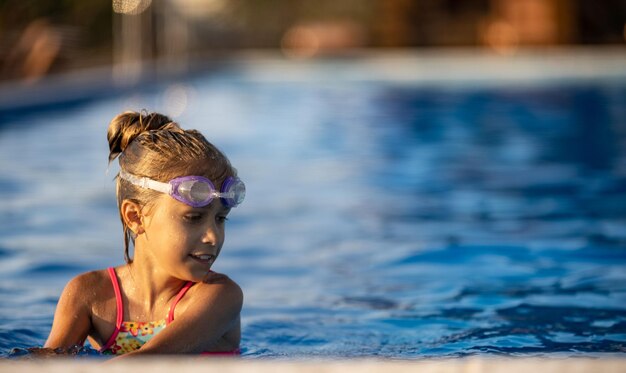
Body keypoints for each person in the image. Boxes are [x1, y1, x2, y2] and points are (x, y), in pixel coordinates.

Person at [44, 111, 245, 357]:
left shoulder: (220, 297)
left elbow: (149, 361)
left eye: (220, 219)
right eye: (194, 218)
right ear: (135, 217)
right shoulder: (89, 294)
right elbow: (43, 365)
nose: (213, 236)